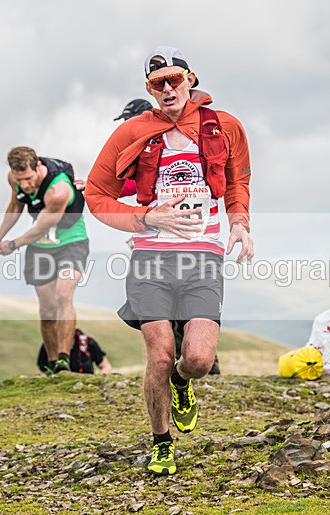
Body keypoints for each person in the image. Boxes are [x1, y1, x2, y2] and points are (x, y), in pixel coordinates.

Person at [85, 46, 254, 475]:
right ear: (149, 88)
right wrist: (145, 218)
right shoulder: (133, 131)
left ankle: (182, 382)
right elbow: (95, 193)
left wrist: (240, 223)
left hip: (204, 256)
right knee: (158, 354)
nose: (167, 88)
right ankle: (162, 442)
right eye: (157, 83)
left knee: (196, 359)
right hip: (151, 258)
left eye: (174, 79)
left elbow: (238, 181)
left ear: (190, 78)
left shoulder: (225, 126)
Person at [114, 97, 222, 376]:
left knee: (195, 314)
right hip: (156, 245)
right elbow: (130, 183)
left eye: (131, 123)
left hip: (198, 246)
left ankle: (201, 362)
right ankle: (177, 362)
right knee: (164, 313)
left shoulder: (176, 137)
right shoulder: (142, 148)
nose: (128, 129)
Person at [0, 147, 89, 375]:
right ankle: (50, 363)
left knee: (63, 295)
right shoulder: (14, 178)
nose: (25, 185)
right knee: (47, 308)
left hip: (71, 242)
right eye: (21, 180)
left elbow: (42, 226)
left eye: (29, 178)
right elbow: (15, 205)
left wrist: (13, 244)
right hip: (41, 248)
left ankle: (63, 360)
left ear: (38, 166)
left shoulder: (58, 191)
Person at [36, 328, 113, 375]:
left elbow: (106, 366)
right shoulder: (49, 345)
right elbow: (41, 371)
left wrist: (97, 381)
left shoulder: (88, 343)